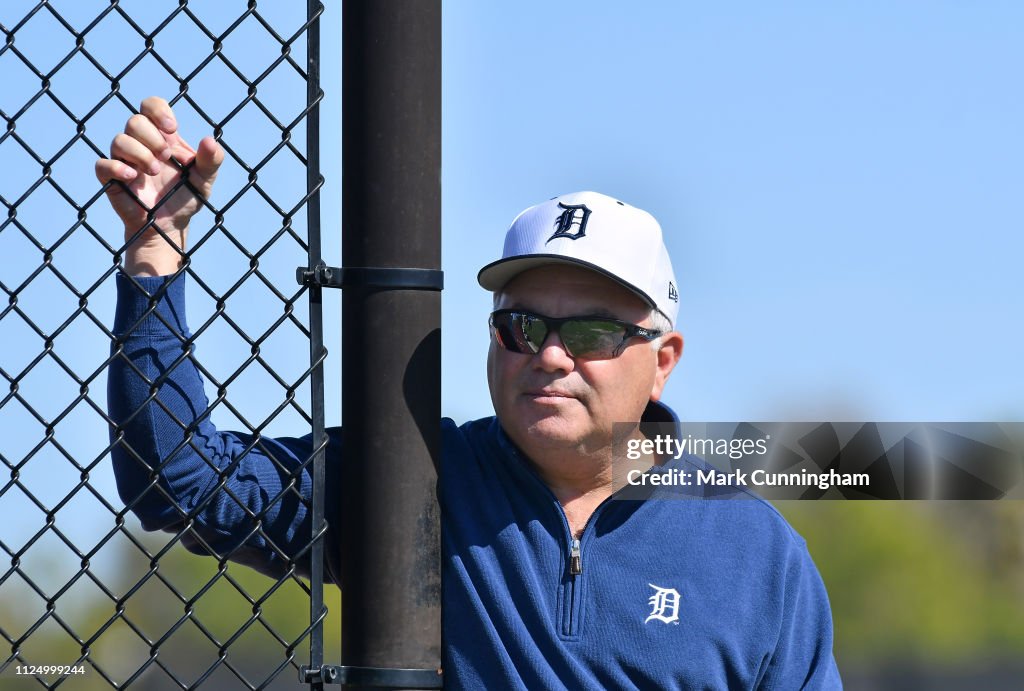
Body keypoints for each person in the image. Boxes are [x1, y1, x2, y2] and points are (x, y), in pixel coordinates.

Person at [99, 97, 843, 689]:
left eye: (588, 333)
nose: (550, 355)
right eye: (521, 326)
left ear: (664, 359)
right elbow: (180, 477)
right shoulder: (418, 475)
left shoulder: (756, 552)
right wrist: (154, 251)